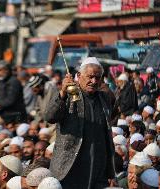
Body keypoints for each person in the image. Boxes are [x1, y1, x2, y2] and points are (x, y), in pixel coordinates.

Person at [44, 57, 115, 189]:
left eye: (97, 78)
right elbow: (49, 116)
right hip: (70, 166)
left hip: (97, 167)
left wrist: (110, 170)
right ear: (78, 76)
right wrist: (63, 92)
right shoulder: (68, 94)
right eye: (90, 77)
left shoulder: (104, 97)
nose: (93, 81)